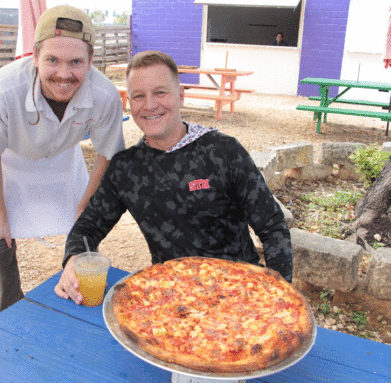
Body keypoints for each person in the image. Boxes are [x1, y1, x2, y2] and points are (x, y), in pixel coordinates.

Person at [54, 51, 292, 305]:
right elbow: (88, 226)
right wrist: (72, 259)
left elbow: (273, 226)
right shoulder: (127, 167)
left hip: (239, 294)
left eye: (160, 93)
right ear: (129, 103)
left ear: (180, 96)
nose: (149, 105)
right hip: (172, 301)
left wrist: (281, 294)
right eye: (138, 96)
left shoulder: (223, 151)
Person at [0, 5, 125, 312]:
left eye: (76, 62)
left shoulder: (105, 95)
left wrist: (86, 205)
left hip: (63, 161)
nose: (64, 74)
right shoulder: (1, 91)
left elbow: (109, 154)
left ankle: (79, 295)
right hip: (9, 161)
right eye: (52, 60)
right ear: (34, 57)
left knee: (85, 227)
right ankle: (10, 309)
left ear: (91, 61)